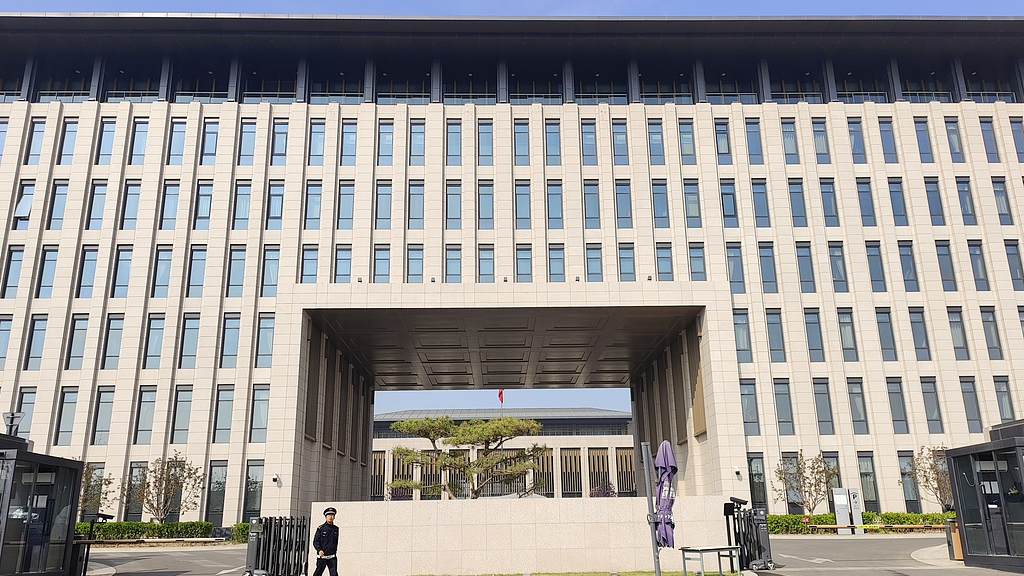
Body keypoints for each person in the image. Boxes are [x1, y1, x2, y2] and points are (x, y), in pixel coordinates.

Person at [312, 507, 339, 576]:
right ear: (325, 517)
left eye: (332, 515)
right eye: (329, 515)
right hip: (322, 557)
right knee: (318, 573)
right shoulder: (321, 528)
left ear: (334, 517)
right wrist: (319, 550)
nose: (330, 517)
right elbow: (316, 541)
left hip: (332, 557)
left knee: (334, 574)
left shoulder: (336, 529)